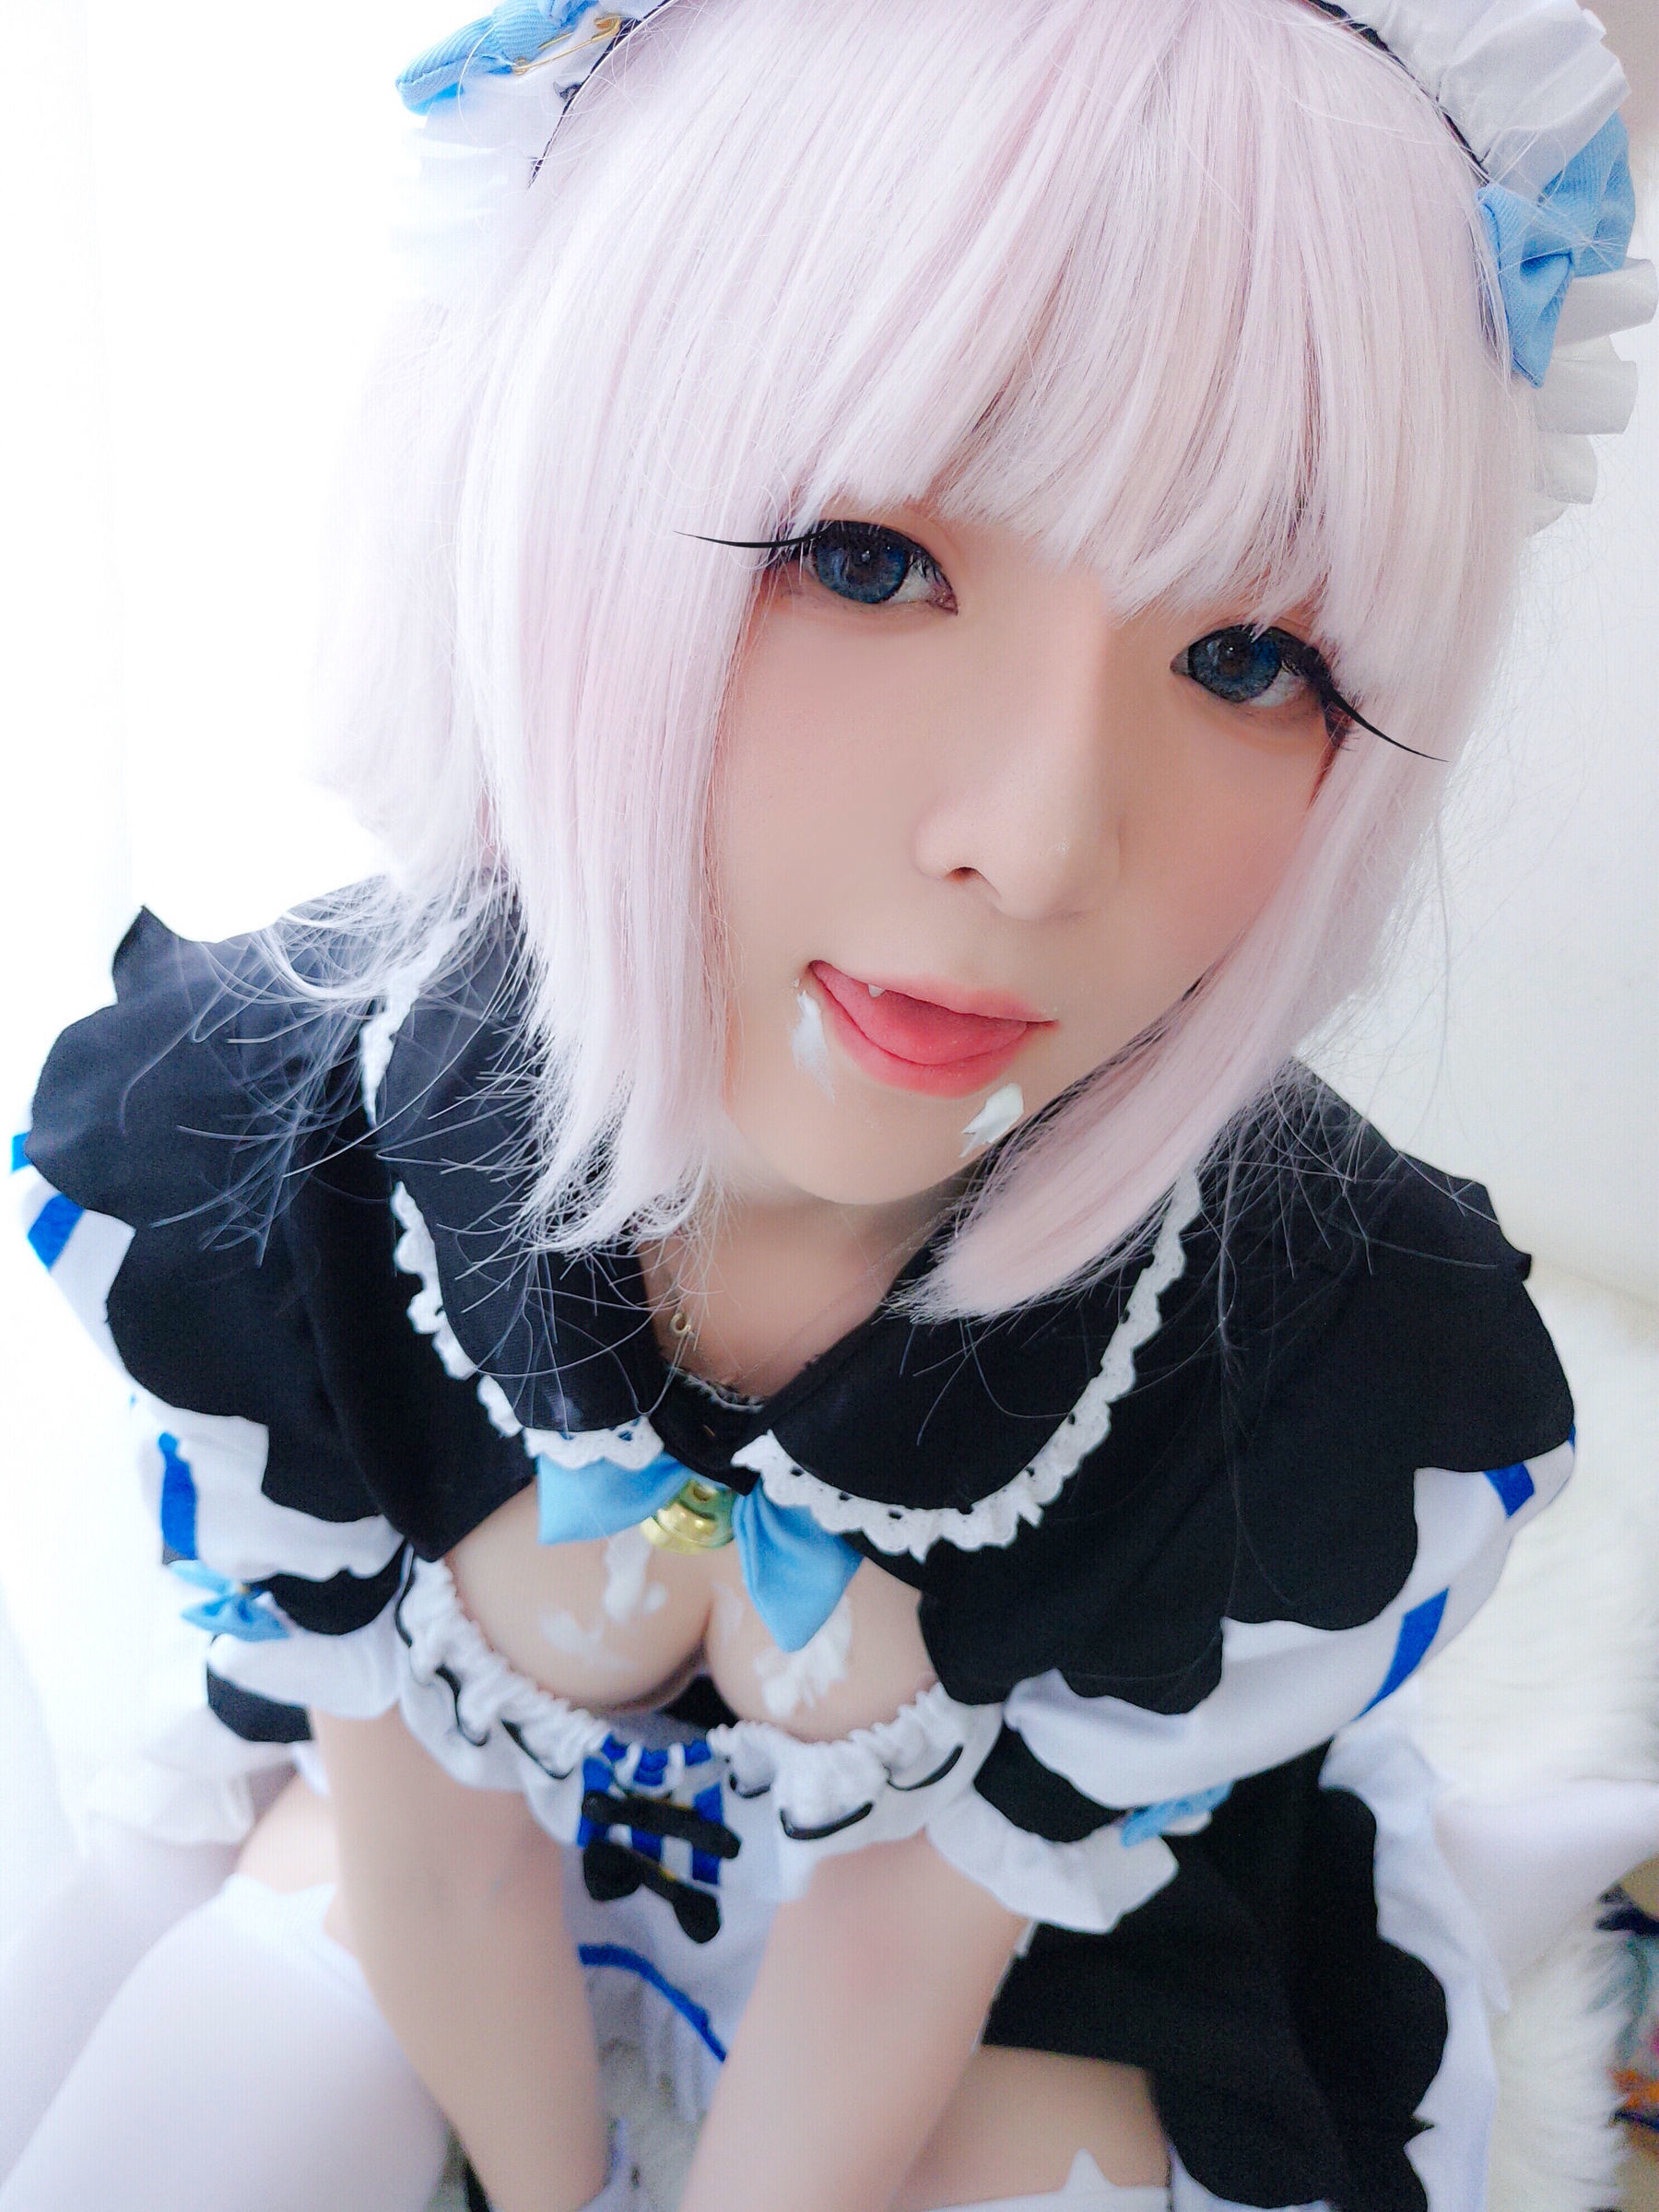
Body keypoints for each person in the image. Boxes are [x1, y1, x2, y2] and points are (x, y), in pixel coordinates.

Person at [3, 3, 1654, 2208]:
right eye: (866, 557)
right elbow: (433, 1856)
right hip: (474, 1861)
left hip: (1008, 1953)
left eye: (1252, 659)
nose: (1038, 844)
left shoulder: (1298, 1352)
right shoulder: (273, 1160)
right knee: (218, 2094)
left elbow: (907, 1952)